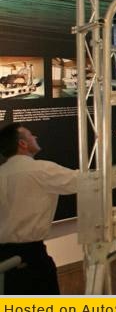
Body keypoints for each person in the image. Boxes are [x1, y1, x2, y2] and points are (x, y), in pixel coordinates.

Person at [0, 123, 78, 295]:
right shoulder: (41, 170)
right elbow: (82, 181)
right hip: (31, 258)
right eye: (30, 135)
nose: (35, 137)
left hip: (4, 258)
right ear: (22, 144)